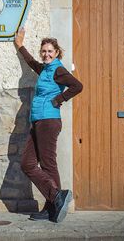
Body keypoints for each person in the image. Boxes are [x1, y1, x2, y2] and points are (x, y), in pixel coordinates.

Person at [14, 27, 83, 223]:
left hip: (48, 120)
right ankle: (55, 199)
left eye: (50, 51)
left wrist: (58, 100)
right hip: (37, 121)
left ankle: (52, 204)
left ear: (57, 53)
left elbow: (78, 86)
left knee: (47, 164)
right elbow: (31, 62)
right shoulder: (45, 69)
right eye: (43, 51)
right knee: (27, 163)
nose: (46, 54)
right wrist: (20, 45)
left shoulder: (58, 70)